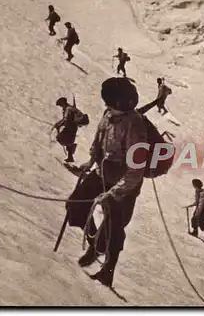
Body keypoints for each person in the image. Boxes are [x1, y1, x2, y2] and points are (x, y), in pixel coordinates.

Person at [64, 77, 147, 287]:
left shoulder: (135, 126)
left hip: (125, 182)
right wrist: (91, 160)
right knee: (75, 205)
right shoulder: (109, 113)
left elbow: (136, 170)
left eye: (110, 103)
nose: (107, 106)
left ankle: (107, 270)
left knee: (114, 226)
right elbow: (99, 138)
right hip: (102, 172)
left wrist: (115, 192)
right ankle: (95, 244)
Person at [53, 97, 78, 163]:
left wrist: (59, 125)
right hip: (72, 128)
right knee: (67, 140)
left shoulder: (67, 109)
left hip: (70, 128)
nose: (61, 106)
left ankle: (72, 146)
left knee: (60, 138)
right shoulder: (69, 108)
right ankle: (70, 157)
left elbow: (65, 119)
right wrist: (58, 124)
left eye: (61, 104)